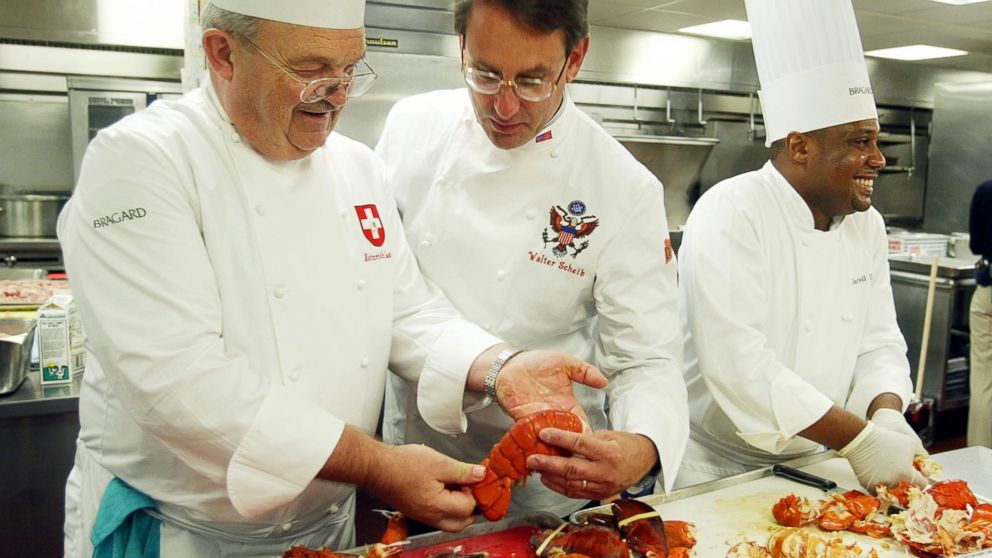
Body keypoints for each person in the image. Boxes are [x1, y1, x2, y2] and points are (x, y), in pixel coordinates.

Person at [58, 1, 608, 555]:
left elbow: (406, 311)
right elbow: (179, 383)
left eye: (350, 70)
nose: (339, 93)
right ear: (222, 53)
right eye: (311, 69)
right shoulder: (141, 162)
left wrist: (500, 367)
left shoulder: (356, 167)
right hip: (179, 534)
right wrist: (379, 465)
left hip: (326, 531)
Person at [375, 0, 688, 518]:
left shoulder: (623, 187)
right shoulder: (412, 128)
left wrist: (644, 443)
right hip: (416, 458)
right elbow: (385, 286)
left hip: (546, 481)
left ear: (576, 58)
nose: (503, 107)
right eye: (485, 74)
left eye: (532, 81)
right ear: (461, 48)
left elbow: (645, 358)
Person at [676, 0, 929, 493]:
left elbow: (878, 340)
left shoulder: (868, 225)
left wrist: (886, 414)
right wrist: (861, 440)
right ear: (799, 146)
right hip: (716, 468)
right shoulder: (732, 211)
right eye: (859, 142)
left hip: (822, 460)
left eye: (876, 142)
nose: (877, 159)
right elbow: (739, 365)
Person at [968, 180, 992, 448]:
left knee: (984, 379)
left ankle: (980, 455)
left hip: (988, 292)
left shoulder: (986, 190)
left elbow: (975, 245)